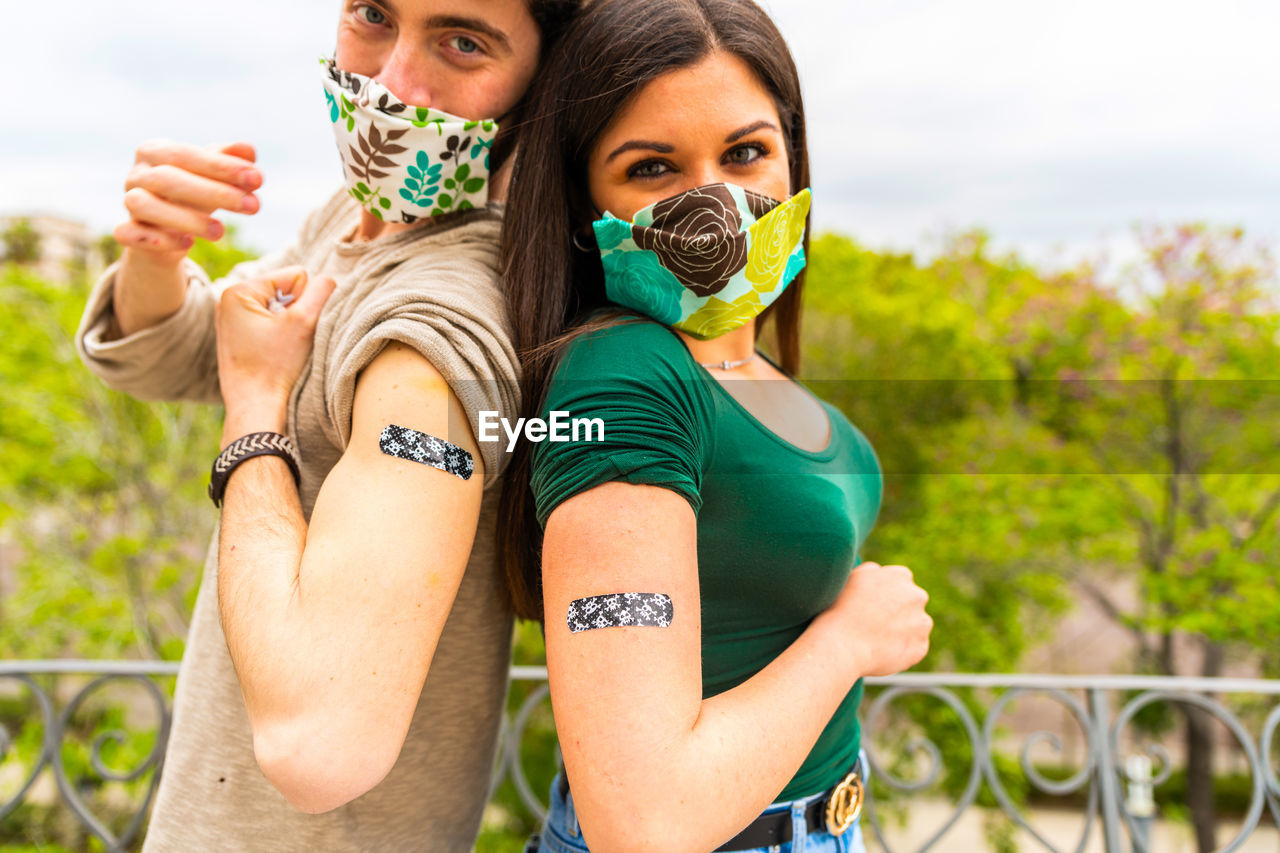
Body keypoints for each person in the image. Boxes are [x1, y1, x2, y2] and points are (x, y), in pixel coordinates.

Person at [75, 1, 578, 850]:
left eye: (463, 42)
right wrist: (157, 253)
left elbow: (321, 741)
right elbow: (171, 357)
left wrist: (253, 408)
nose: (392, 81)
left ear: (546, 83)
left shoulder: (435, 319)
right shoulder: (355, 221)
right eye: (375, 15)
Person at [497, 0, 934, 850]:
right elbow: (643, 820)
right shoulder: (623, 379)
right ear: (586, 200)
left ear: (791, 156)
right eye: (654, 168)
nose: (716, 202)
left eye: (745, 152)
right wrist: (849, 639)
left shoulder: (740, 365)